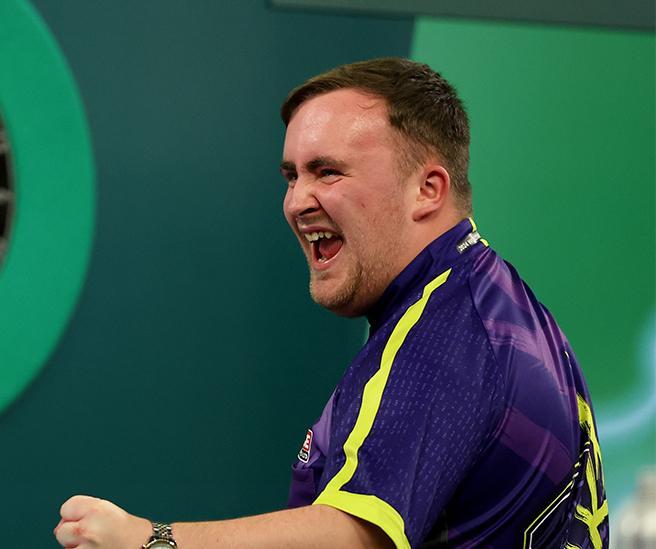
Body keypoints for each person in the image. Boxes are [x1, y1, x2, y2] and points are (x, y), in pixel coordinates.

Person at [54, 58, 608, 549]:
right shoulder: (493, 301)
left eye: (328, 171)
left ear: (428, 190)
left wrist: (152, 542)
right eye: (291, 176)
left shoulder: (444, 334)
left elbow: (355, 536)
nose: (296, 202)